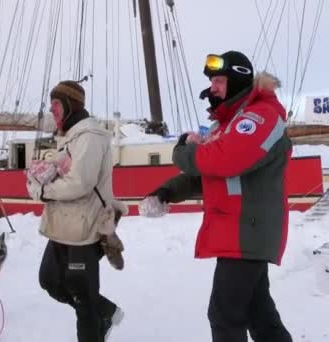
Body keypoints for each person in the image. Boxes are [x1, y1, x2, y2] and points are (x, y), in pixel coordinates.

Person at [146, 51, 293, 342]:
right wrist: (167, 192)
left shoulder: (261, 115)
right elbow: (211, 176)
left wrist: (182, 150)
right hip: (240, 231)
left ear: (238, 79)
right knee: (258, 315)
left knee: (224, 316)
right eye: (212, 80)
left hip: (247, 230)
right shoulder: (228, 124)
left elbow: (224, 160)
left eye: (219, 80)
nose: (212, 87)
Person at [26, 80, 124, 342]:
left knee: (82, 293)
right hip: (62, 227)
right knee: (50, 280)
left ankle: (96, 321)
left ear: (70, 105)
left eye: (56, 104)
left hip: (85, 227)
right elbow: (63, 172)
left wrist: (43, 191)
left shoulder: (90, 137)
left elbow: (80, 183)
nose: (52, 110)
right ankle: (104, 311)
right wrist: (40, 175)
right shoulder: (69, 136)